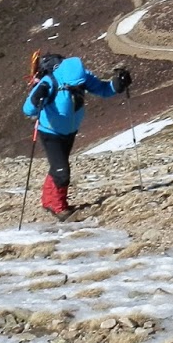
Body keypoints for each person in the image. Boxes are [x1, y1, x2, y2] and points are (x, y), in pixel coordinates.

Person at [22, 53, 132, 219]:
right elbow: (27, 109)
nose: (80, 87)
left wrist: (117, 85)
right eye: (76, 85)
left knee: (58, 167)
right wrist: (37, 97)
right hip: (50, 132)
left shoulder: (82, 76)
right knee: (62, 171)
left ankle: (48, 201)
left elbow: (103, 89)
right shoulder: (49, 82)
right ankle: (59, 208)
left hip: (69, 132)